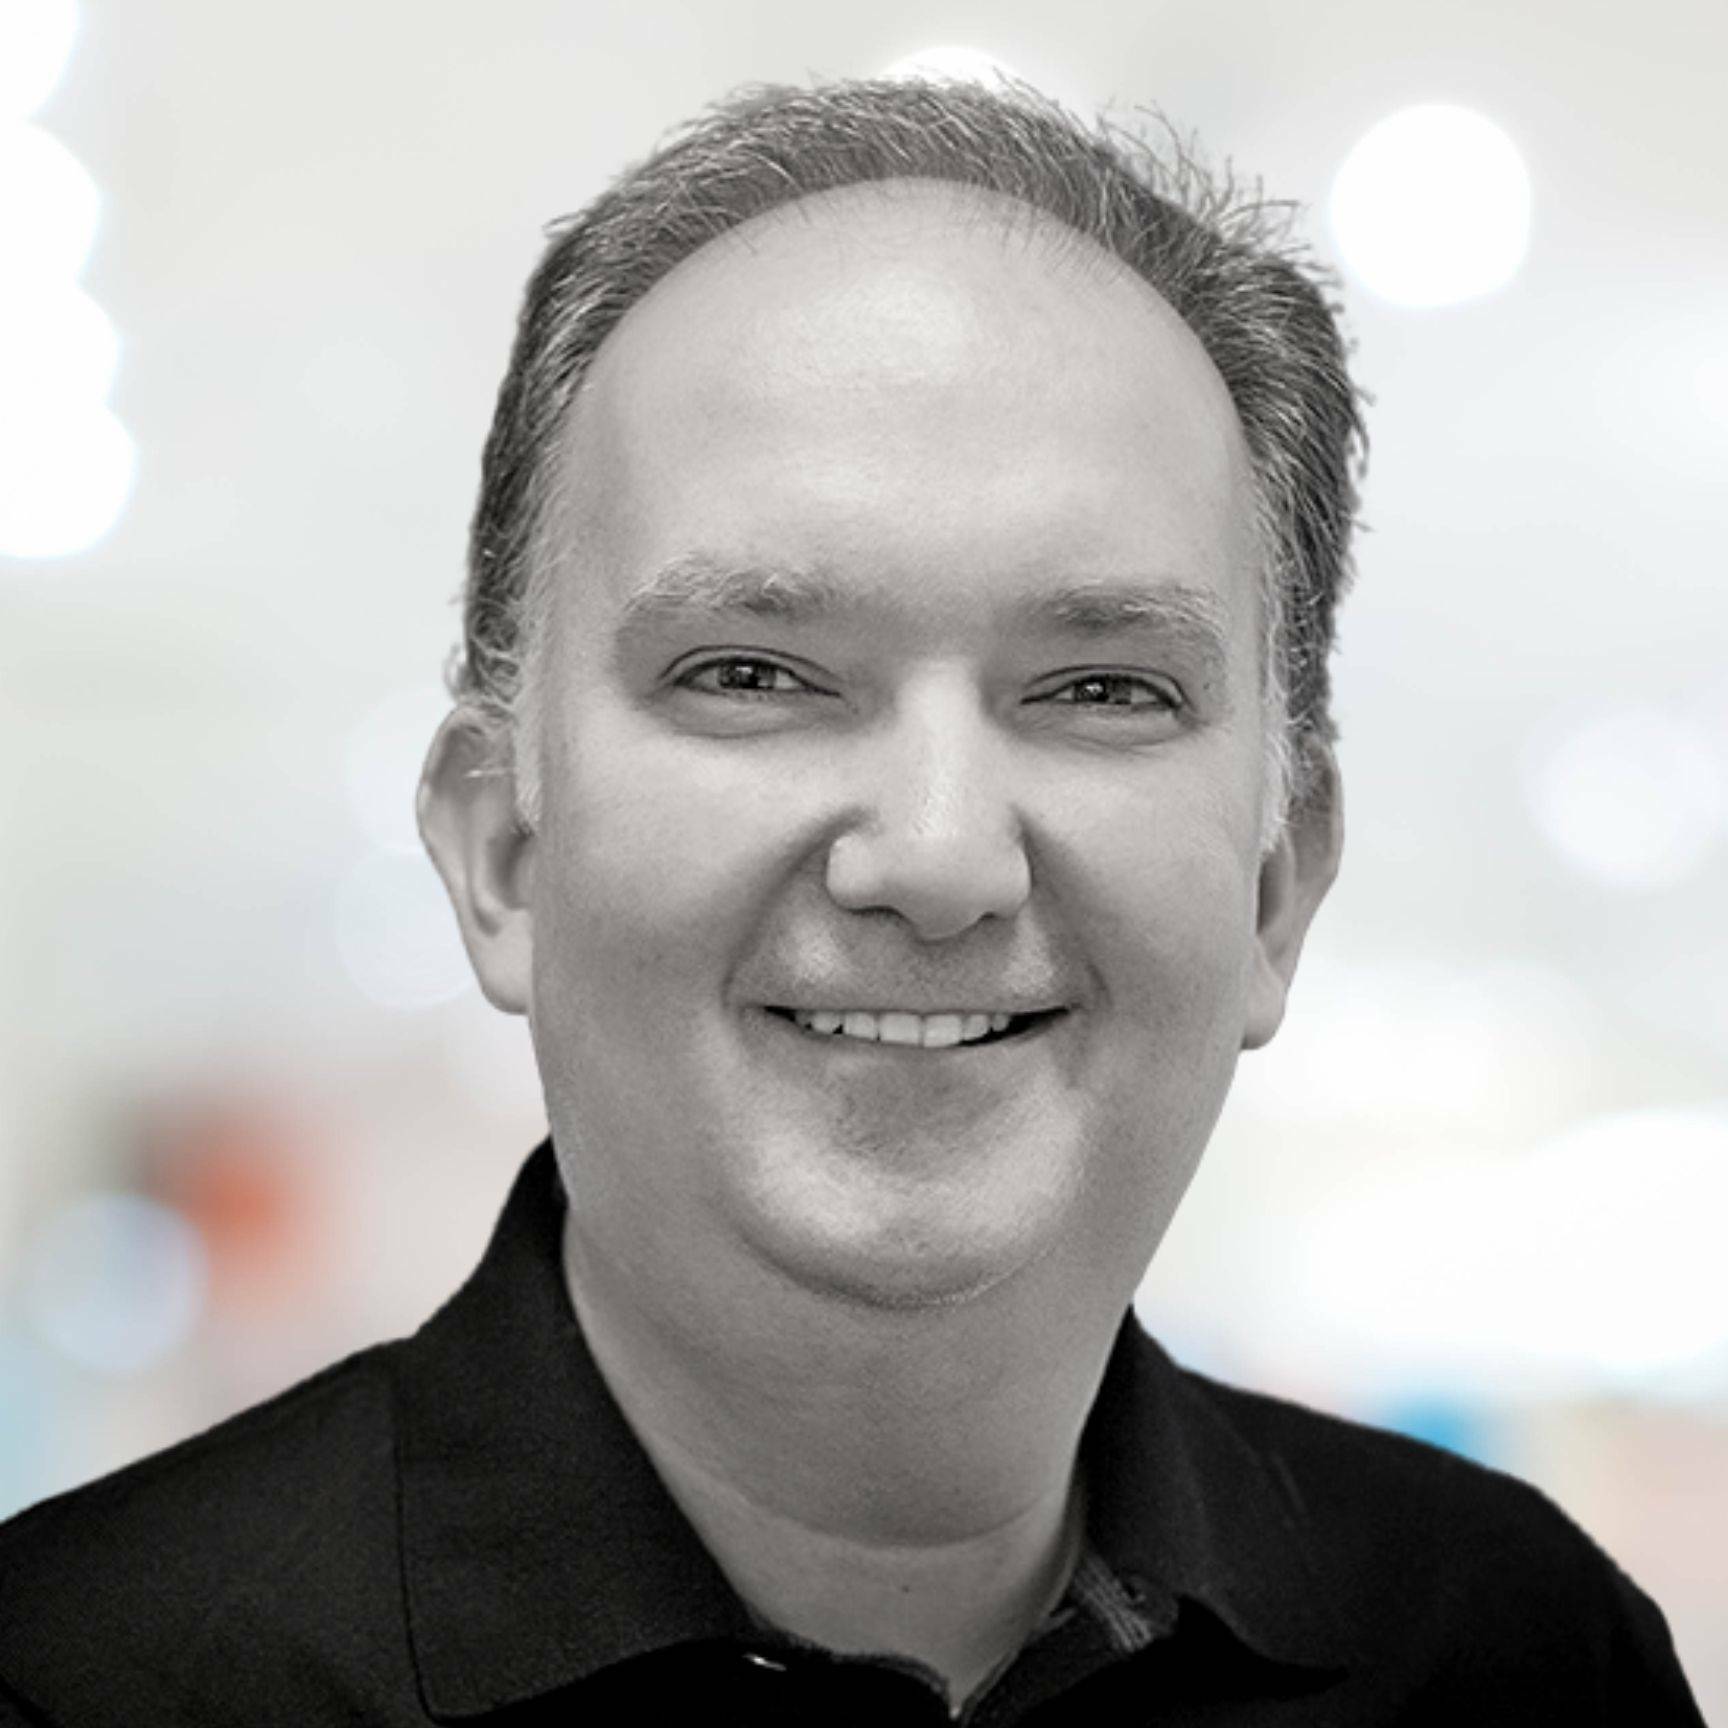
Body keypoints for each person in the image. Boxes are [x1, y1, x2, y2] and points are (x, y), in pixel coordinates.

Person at [0, 76, 1704, 1726]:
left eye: (1103, 687)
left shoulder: (1515, 1656)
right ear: (503, 849)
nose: (942, 855)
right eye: (751, 672)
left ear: (1277, 883)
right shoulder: (84, 1679)